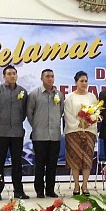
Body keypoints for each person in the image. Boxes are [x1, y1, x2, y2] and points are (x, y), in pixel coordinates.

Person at [0, 65, 29, 200]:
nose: (12, 76)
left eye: (14, 73)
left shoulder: (22, 92)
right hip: (0, 132)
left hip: (17, 132)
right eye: (9, 74)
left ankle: (18, 190)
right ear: (4, 76)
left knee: (17, 162)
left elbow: (24, 112)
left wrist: (16, 122)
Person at [27, 69, 65, 198]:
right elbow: (29, 114)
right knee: (40, 164)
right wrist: (37, 126)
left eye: (52, 76)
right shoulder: (34, 94)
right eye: (47, 76)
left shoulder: (59, 95)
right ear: (41, 78)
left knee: (52, 164)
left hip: (54, 135)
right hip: (39, 135)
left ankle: (50, 189)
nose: (50, 79)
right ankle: (39, 190)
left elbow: (60, 112)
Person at [64, 71, 98, 196]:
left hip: (89, 131)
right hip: (73, 131)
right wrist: (78, 124)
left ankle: (85, 185)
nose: (84, 83)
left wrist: (89, 123)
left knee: (87, 159)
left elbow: (96, 112)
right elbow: (67, 114)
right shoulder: (69, 97)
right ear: (76, 82)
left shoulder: (92, 97)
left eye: (85, 81)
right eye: (81, 81)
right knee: (75, 160)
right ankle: (76, 185)